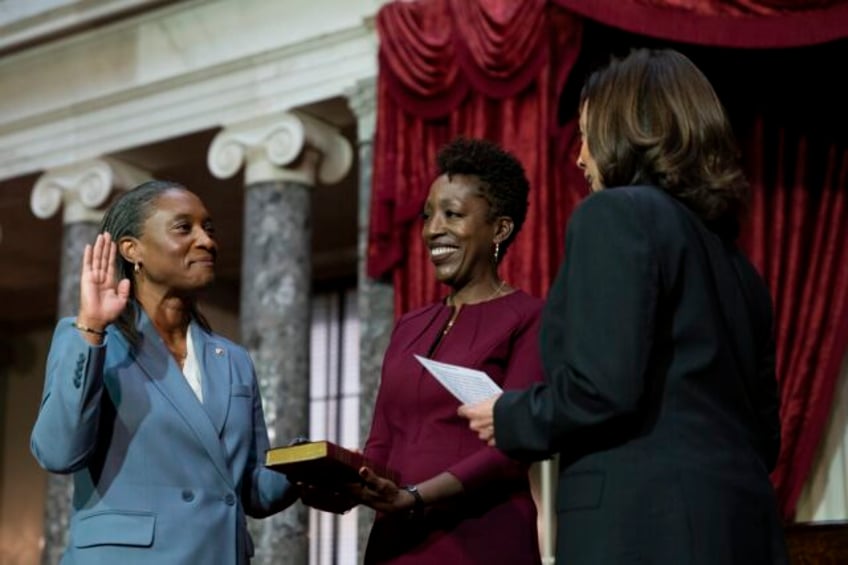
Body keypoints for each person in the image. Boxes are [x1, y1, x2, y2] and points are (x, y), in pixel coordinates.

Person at [460, 48, 789, 565]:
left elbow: (601, 391)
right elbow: (765, 439)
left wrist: (510, 414)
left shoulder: (613, 214)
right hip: (744, 528)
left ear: (624, 131)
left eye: (587, 135)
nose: (580, 157)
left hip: (644, 529)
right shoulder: (741, 270)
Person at [30, 180, 297, 564]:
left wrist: (307, 467)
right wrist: (91, 327)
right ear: (132, 249)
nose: (206, 240)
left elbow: (249, 490)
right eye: (184, 228)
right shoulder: (90, 339)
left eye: (209, 229)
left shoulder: (233, 359)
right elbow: (57, 453)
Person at [351, 137, 545, 564]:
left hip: (482, 541)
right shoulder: (409, 326)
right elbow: (382, 440)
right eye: (427, 215)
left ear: (500, 229)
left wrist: (415, 497)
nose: (432, 228)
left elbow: (512, 449)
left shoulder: (531, 317)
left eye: (452, 214)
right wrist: (353, 483)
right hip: (397, 543)